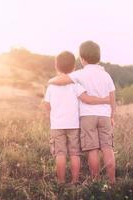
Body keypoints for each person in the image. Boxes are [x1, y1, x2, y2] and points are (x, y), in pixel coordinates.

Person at [48, 41, 116, 184]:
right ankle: (112, 180)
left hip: (87, 117)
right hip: (104, 116)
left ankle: (95, 180)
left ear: (82, 59)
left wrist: (51, 80)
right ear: (99, 57)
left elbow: (61, 80)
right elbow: (112, 98)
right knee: (107, 147)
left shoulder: (80, 74)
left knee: (92, 150)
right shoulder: (107, 75)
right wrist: (112, 114)